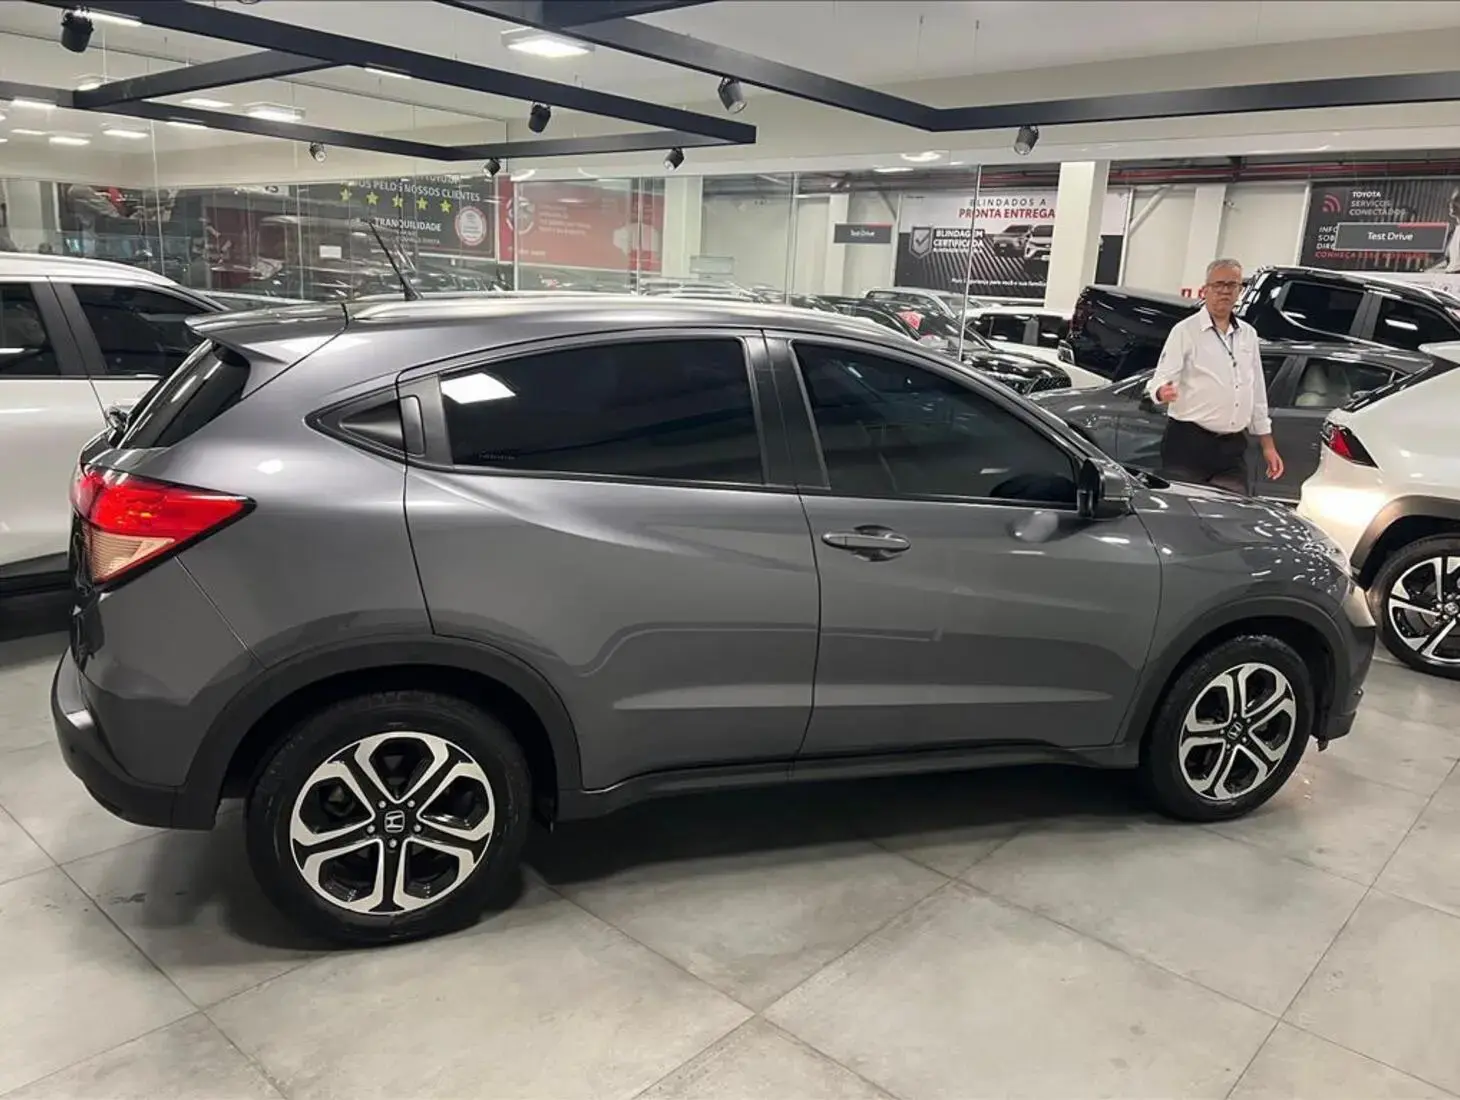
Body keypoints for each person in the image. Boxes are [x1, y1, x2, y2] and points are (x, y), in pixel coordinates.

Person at [1147, 258, 1283, 493]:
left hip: (1232, 447)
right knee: (1188, 508)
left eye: (1232, 285)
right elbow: (1162, 377)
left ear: (1240, 290)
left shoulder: (1248, 335)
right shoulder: (1185, 331)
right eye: (1218, 284)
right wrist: (1161, 392)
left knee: (1230, 509)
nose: (1225, 291)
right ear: (1206, 289)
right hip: (1189, 444)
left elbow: (1257, 393)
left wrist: (1268, 445)